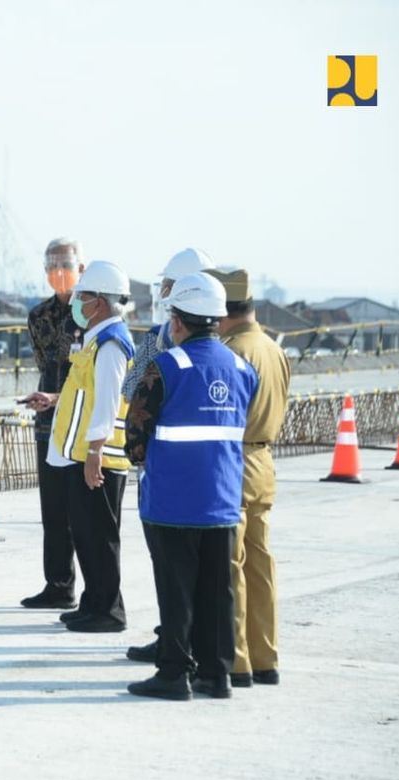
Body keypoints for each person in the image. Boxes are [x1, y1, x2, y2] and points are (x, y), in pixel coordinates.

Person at [124, 272, 258, 700]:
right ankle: (215, 675)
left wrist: (142, 458)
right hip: (221, 499)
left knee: (176, 591)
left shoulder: (165, 367)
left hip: (172, 502)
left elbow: (135, 435)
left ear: (177, 322)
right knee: (217, 592)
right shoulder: (241, 368)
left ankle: (173, 673)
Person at [28, 261, 135, 633]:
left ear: (100, 304)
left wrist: (94, 454)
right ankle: (93, 603)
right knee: (87, 535)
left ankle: (109, 610)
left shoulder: (111, 344)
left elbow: (108, 401)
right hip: (81, 455)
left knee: (100, 537)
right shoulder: (97, 339)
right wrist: (55, 400)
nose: (76, 302)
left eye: (83, 297)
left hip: (98, 458)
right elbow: (85, 393)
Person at [122, 247, 216, 663]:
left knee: (171, 564)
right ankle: (190, 645)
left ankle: (176, 647)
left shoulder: (158, 345)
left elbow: (130, 393)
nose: (161, 292)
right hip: (216, 476)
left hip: (165, 472)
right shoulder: (224, 347)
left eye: (165, 285)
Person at [208, 268, 290, 688]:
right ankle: (265, 656)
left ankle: (237, 661)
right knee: (261, 566)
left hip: (232, 462)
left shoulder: (231, 351)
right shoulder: (273, 349)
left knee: (230, 567)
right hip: (263, 462)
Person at [18, 238, 84, 610]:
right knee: (53, 510)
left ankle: (99, 594)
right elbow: (46, 365)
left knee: (84, 513)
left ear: (82, 268)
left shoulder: (92, 313)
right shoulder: (38, 316)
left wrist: (60, 398)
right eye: (52, 265)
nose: (59, 272)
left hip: (83, 421)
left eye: (66, 264)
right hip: (48, 423)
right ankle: (58, 584)